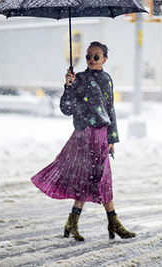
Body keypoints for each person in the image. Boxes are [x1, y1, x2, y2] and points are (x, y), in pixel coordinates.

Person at [31, 41, 136, 241]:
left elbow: (110, 109)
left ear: (105, 59)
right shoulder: (78, 79)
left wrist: (112, 138)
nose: (91, 60)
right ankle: (111, 221)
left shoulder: (107, 79)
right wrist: (68, 86)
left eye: (96, 56)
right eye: (88, 56)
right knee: (97, 178)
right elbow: (66, 109)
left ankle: (74, 221)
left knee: (93, 178)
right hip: (84, 134)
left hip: (101, 134)